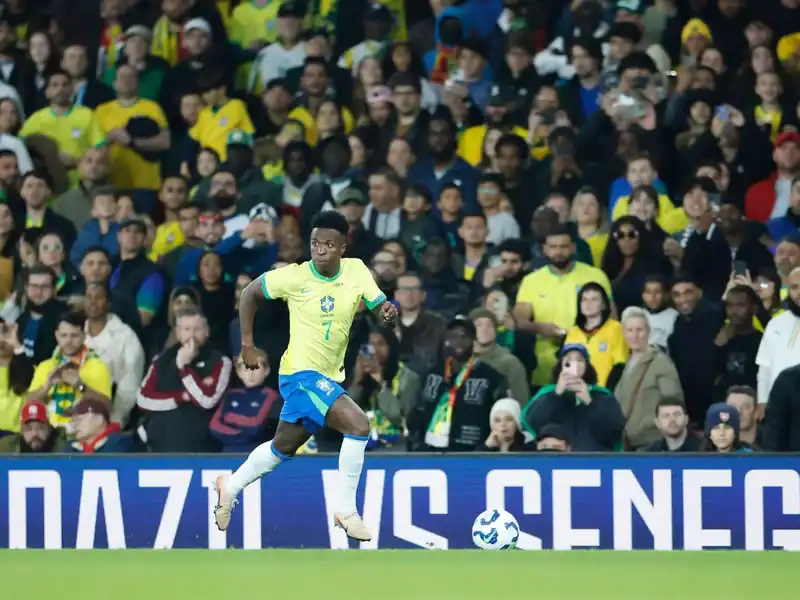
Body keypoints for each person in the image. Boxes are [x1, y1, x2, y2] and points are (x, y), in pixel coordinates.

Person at [215, 211, 398, 541]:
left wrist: (386, 312)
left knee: (282, 448)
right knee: (359, 425)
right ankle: (346, 510)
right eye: (315, 243)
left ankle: (230, 485)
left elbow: (379, 305)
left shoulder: (357, 270)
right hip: (300, 374)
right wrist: (247, 345)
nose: (320, 249)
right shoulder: (295, 276)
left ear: (342, 247)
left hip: (328, 378)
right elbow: (250, 294)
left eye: (329, 244)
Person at [521, 344, 626, 452]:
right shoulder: (547, 394)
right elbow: (531, 423)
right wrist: (556, 395)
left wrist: (590, 402)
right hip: (556, 458)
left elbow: (615, 430)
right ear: (561, 366)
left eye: (579, 360)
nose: (574, 365)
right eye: (568, 361)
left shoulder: (602, 395)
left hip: (594, 458)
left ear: (587, 366)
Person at [614, 307, 684, 450]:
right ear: (624, 334)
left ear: (648, 332)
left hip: (653, 442)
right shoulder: (627, 364)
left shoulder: (661, 362)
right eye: (630, 330)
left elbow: (674, 401)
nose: (635, 335)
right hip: (629, 443)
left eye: (639, 330)